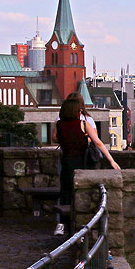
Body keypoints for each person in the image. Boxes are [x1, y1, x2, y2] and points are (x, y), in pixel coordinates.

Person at [51, 97, 85, 235]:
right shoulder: (81, 123)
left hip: (66, 162)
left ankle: (63, 225)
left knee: (65, 193)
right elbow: (97, 142)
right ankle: (78, 226)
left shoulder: (59, 124)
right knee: (79, 194)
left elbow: (55, 139)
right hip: (80, 163)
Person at [65, 92, 120, 171]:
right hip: (83, 157)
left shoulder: (60, 120)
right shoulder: (85, 120)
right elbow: (97, 141)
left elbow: (55, 138)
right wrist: (111, 160)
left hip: (66, 156)